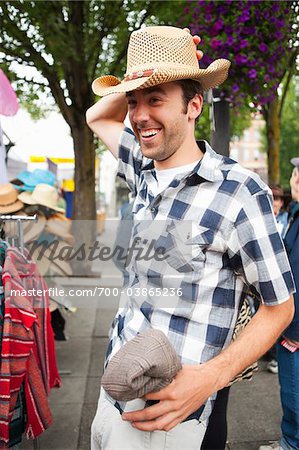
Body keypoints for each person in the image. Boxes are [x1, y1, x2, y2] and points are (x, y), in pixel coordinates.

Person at [87, 26, 294, 450]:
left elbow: (281, 307)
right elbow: (97, 117)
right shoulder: (141, 169)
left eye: (156, 99)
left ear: (194, 105)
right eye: (134, 102)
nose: (140, 115)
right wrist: (148, 73)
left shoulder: (238, 190)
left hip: (180, 416)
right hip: (115, 394)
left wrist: (212, 378)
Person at [259, 158, 299, 450]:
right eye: (296, 173)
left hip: (295, 328)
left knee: (294, 393)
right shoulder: (295, 215)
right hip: (290, 322)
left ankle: (291, 443)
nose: (296, 178)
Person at [266, 184, 288, 374]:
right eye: (271, 197)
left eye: (277, 199)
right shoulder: (263, 220)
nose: (274, 202)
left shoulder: (287, 220)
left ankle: (275, 357)